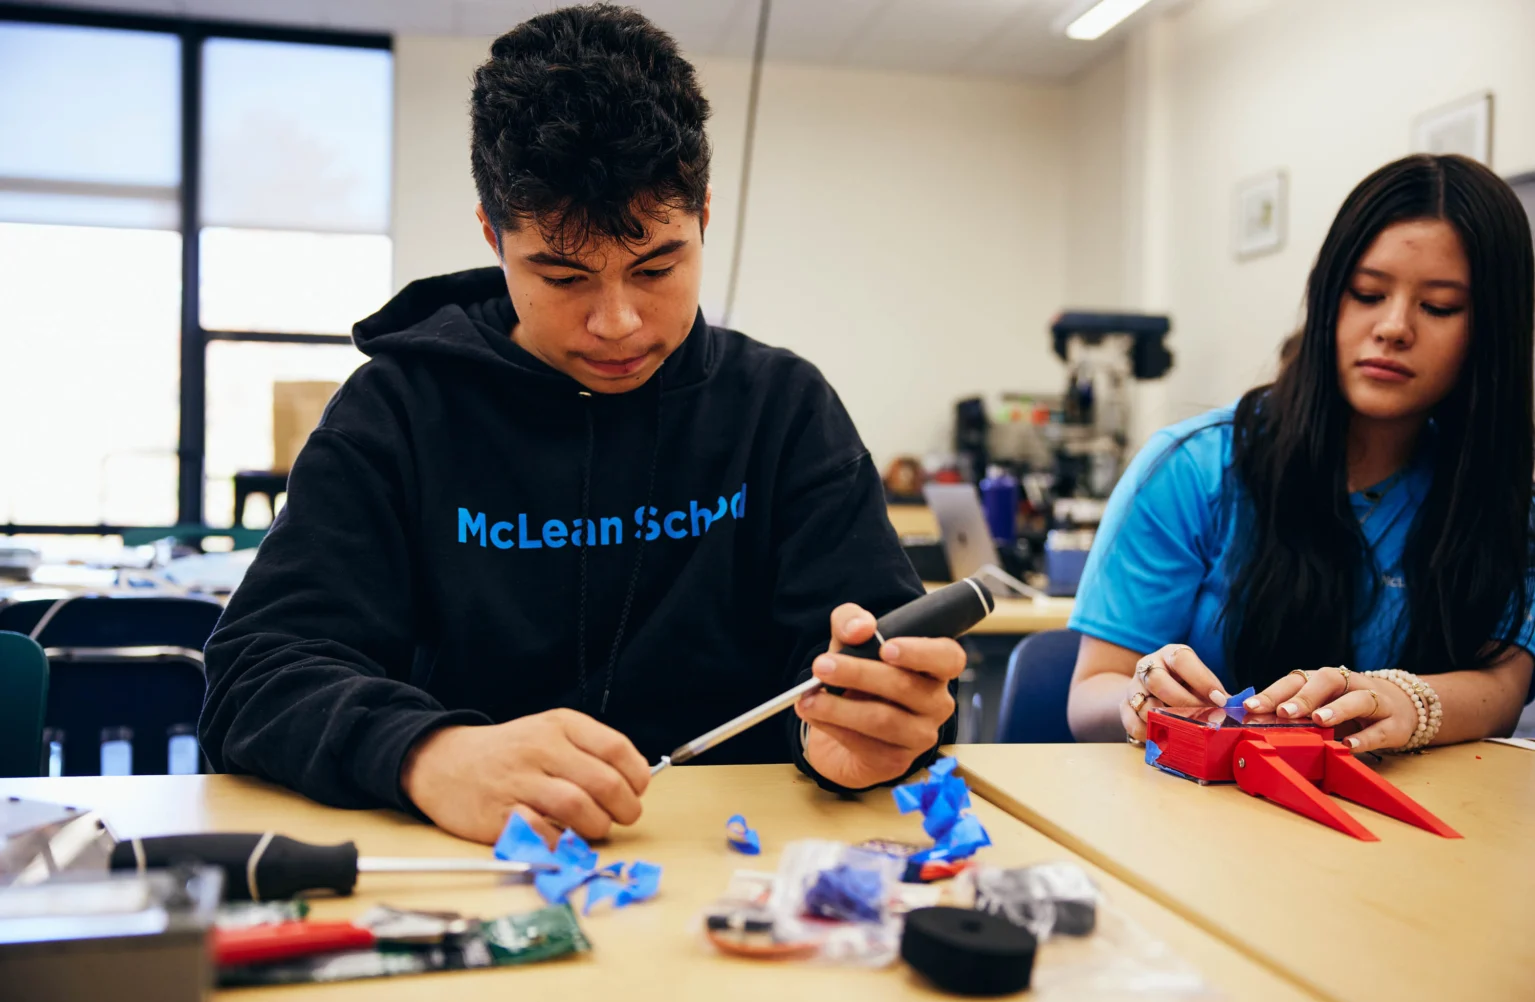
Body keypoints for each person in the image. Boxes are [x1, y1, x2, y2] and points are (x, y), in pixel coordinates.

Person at [200, 4, 965, 845]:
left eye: (657, 266)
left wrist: (861, 737)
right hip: (470, 868)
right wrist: (428, 752)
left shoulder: (781, 411)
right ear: (493, 234)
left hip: (739, 872)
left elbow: (882, 664)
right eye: (562, 276)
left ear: (703, 216)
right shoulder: (399, 412)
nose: (618, 323)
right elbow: (254, 677)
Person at [1067, 154, 1535, 752]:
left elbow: (1503, 686)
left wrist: (1406, 702)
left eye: (1439, 306)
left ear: (1492, 330)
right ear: (1326, 300)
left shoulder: (1498, 492)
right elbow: (1090, 692)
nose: (1394, 327)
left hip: (1414, 824)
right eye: (1367, 293)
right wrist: (1144, 700)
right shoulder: (1192, 468)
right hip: (1196, 815)